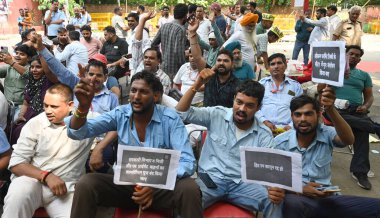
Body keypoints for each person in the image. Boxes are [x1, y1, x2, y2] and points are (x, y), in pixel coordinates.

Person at [66, 71, 202, 218]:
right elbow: (77, 132)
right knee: (86, 184)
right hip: (127, 187)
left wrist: (155, 184)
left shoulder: (170, 119)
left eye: (143, 92)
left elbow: (188, 162)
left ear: (156, 96)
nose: (136, 97)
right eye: (133, 91)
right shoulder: (121, 114)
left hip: (159, 188)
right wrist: (83, 108)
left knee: (190, 188)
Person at [176, 70, 284, 218]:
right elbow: (181, 113)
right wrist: (197, 84)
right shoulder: (216, 114)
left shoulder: (263, 134)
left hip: (242, 185)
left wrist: (275, 188)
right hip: (210, 180)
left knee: (274, 201)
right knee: (187, 201)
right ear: (233, 99)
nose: (241, 109)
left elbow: (272, 170)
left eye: (249, 105)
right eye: (239, 102)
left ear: (259, 107)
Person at [274, 93, 380, 218]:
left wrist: (331, 109)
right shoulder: (280, 143)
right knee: (292, 203)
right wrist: (300, 189)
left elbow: (348, 140)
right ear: (292, 117)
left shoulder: (327, 133)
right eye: (298, 114)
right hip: (297, 198)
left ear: (318, 115)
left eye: (308, 114)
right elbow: (273, 182)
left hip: (328, 199)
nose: (303, 119)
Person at [2, 84, 93, 218]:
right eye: (46, 105)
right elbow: (16, 163)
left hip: (66, 189)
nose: (48, 111)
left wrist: (100, 148)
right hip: (32, 182)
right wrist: (47, 176)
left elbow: (119, 120)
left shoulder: (89, 121)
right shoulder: (35, 123)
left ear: (70, 105)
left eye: (54, 106)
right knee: (18, 193)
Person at [321, 45, 380, 190]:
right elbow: (319, 89)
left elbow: (369, 97)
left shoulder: (364, 75)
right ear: (345, 55)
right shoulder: (334, 71)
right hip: (334, 109)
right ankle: (375, 128)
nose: (353, 56)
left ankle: (359, 173)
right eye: (351, 54)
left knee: (361, 130)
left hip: (357, 111)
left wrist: (365, 107)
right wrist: (332, 74)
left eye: (357, 55)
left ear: (360, 59)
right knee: (363, 126)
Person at [10, 56, 58, 145]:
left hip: (45, 117)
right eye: (32, 67)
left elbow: (48, 72)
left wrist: (41, 51)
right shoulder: (30, 82)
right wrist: (21, 115)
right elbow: (25, 103)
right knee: (15, 129)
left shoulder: (50, 81)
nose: (34, 70)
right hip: (29, 115)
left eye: (38, 67)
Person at [257, 53, 303, 134]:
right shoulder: (261, 84)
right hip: (263, 128)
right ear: (268, 68)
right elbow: (254, 106)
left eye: (279, 63)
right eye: (272, 64)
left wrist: (291, 126)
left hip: (288, 130)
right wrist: (264, 121)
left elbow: (301, 109)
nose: (276, 66)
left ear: (285, 66)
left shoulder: (295, 86)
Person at [151, 3, 188, 79]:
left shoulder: (164, 26)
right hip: (175, 71)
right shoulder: (181, 29)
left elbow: (153, 44)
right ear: (185, 16)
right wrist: (184, 68)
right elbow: (178, 52)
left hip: (163, 67)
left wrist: (160, 59)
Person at [0, 45, 36, 120]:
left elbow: (27, 74)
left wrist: (11, 62)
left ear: (29, 58)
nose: (17, 56)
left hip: (21, 106)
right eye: (16, 53)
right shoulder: (8, 67)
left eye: (22, 54)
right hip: (5, 105)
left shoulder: (32, 68)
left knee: (16, 122)